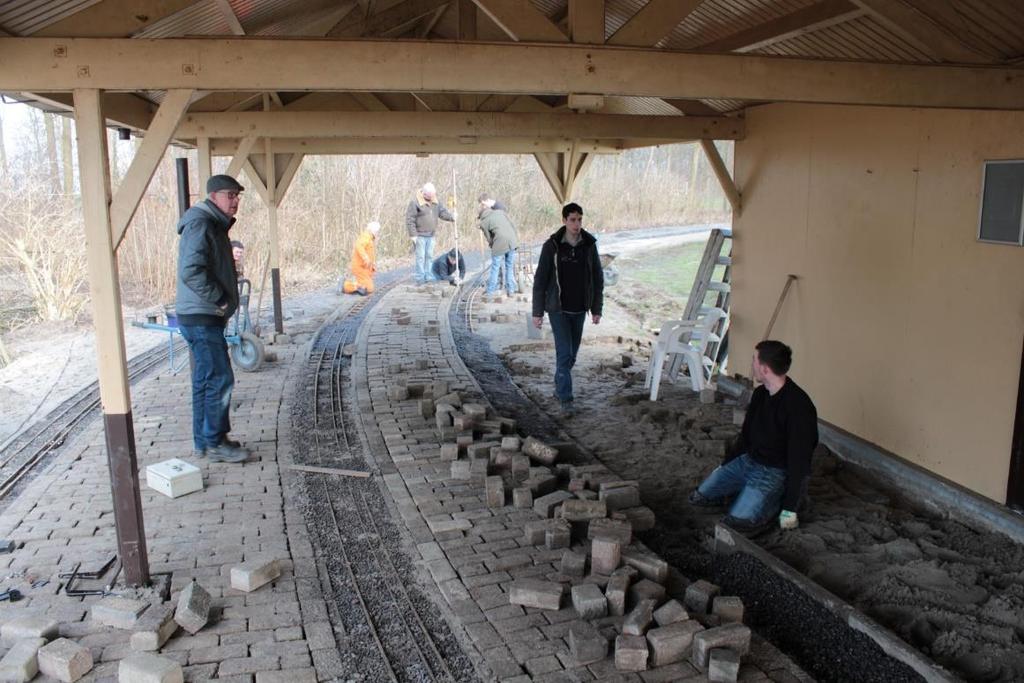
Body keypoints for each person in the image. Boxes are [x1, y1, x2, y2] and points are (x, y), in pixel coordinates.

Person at [688, 340, 818, 532]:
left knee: (738, 523)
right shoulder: (760, 394)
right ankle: (748, 494)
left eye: (754, 361)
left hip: (774, 472)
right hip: (749, 461)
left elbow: (799, 462)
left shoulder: (798, 406)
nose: (752, 365)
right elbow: (746, 436)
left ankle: (774, 502)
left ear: (765, 369)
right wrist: (725, 465)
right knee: (700, 497)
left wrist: (789, 510)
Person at [175, 174, 250, 464]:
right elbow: (191, 271)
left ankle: (203, 441)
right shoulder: (201, 224)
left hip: (200, 315)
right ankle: (216, 441)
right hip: (202, 315)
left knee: (205, 379)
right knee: (220, 377)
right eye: (230, 195)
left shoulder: (211, 224)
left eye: (237, 196)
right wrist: (219, 298)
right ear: (213, 196)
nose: (235, 201)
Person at [531, 202, 603, 417]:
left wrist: (597, 308)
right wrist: (537, 312)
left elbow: (597, 278)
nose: (576, 224)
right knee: (564, 354)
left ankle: (558, 388)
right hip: (558, 309)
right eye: (572, 219)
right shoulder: (552, 246)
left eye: (579, 219)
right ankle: (565, 399)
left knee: (571, 357)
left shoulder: (589, 245)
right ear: (564, 220)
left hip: (580, 308)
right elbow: (540, 280)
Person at [406, 182, 455, 283]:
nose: (433, 197)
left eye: (433, 195)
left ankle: (428, 275)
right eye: (430, 195)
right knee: (420, 257)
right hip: (419, 235)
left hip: (431, 235)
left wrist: (452, 217)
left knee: (429, 256)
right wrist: (413, 235)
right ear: (424, 194)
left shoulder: (435, 202)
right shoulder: (415, 203)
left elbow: (442, 213)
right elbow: (410, 219)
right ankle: (420, 277)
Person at [478, 193, 519, 297]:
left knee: (495, 267)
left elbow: (489, 239)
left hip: (500, 243)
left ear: (481, 216)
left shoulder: (483, 222)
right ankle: (511, 291)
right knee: (509, 266)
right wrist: (515, 240)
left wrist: (493, 246)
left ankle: (490, 292)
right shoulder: (500, 213)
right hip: (512, 240)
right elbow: (512, 226)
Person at [343, 221, 380, 295]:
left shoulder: (370, 238)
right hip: (359, 267)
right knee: (369, 289)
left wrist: (372, 266)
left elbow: (370, 254)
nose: (377, 233)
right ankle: (346, 286)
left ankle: (359, 286)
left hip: (364, 267)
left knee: (368, 287)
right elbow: (359, 246)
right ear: (372, 230)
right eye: (377, 231)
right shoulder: (366, 236)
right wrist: (365, 257)